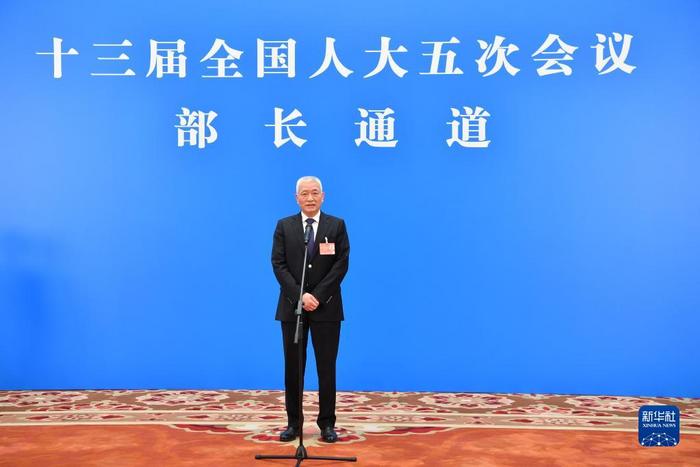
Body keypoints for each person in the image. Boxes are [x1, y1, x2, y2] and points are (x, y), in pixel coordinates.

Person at [271, 176, 350, 443]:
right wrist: (301, 296)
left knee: (326, 368)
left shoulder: (336, 225)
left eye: (315, 193)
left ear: (323, 196)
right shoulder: (284, 226)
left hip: (327, 308)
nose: (310, 198)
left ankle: (327, 424)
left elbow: (341, 264)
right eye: (304, 194)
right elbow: (278, 264)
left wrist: (317, 296)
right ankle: (294, 424)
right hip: (292, 308)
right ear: (297, 198)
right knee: (293, 368)